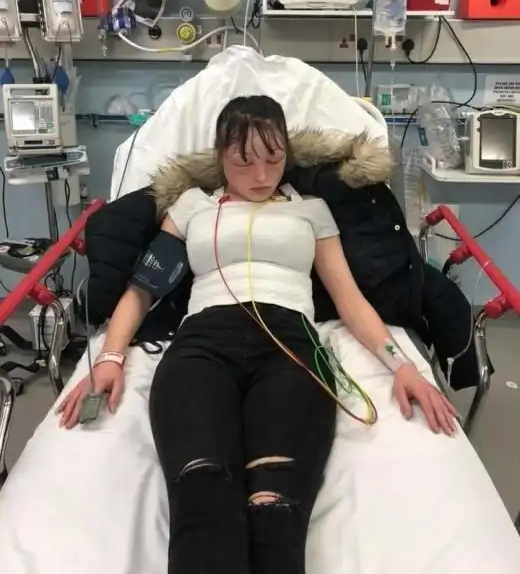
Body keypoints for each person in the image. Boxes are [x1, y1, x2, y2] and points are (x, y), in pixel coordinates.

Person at [58, 95, 458, 574]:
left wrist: (403, 365)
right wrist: (110, 357)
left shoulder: (312, 211)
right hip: (201, 347)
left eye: (273, 158)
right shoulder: (192, 206)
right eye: (243, 161)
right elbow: (143, 290)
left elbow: (350, 300)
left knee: (275, 508)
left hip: (291, 347)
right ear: (220, 156)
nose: (262, 175)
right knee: (202, 493)